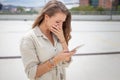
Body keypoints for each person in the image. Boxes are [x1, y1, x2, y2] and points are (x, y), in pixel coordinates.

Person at [20, 0, 76, 80]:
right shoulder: (29, 39)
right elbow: (31, 73)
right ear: (46, 17)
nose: (60, 26)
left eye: (62, 22)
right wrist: (55, 60)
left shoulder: (58, 35)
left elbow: (66, 63)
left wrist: (63, 39)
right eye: (57, 21)